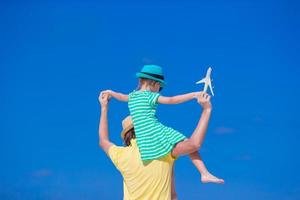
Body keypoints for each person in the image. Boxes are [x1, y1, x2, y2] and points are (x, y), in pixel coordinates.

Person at [102, 64, 224, 184]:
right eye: (159, 87)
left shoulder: (132, 96)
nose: (159, 90)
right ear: (154, 83)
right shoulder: (150, 96)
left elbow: (120, 96)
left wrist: (110, 93)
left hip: (145, 139)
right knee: (187, 142)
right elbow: (171, 100)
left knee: (181, 146)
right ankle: (204, 173)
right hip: (156, 130)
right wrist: (194, 95)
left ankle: (204, 173)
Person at [98, 92, 217, 200]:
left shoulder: (121, 155)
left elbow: (103, 141)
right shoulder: (161, 148)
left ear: (126, 135)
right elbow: (194, 144)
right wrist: (206, 110)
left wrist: (104, 108)